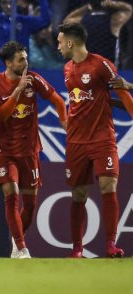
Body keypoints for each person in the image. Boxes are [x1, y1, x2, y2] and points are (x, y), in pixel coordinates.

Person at [57, 22, 133, 258]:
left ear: (70, 42)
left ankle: (110, 245)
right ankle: (77, 250)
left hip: (102, 138)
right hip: (76, 141)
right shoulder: (67, 68)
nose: (58, 46)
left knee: (108, 186)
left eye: (60, 42)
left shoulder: (102, 65)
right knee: (78, 194)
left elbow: (123, 93)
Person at [0, 41, 67, 259]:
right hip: (4, 150)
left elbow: (57, 99)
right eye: (21, 59)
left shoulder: (34, 79)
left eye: (26, 57)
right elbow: (0, 115)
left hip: (29, 150)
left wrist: (63, 119)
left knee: (30, 205)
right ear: (8, 62)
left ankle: (16, 240)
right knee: (11, 194)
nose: (26, 62)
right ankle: (21, 247)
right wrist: (18, 91)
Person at [63, 0, 132, 65]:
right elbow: (128, 9)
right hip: (108, 69)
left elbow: (67, 20)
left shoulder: (81, 21)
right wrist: (112, 3)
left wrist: (86, 7)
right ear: (106, 2)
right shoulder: (114, 21)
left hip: (88, 68)